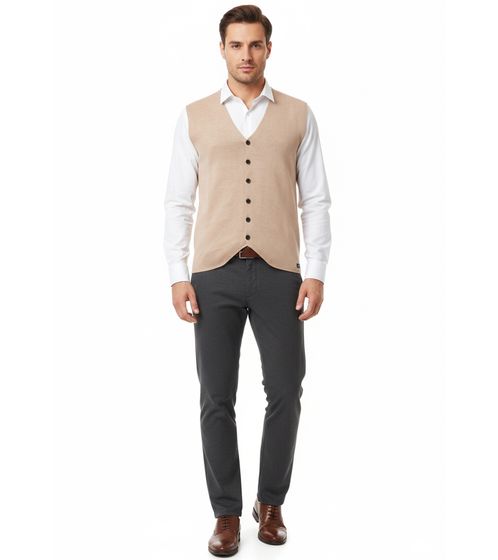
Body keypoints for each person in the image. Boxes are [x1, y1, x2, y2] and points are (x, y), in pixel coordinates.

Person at [163, 4, 332, 556]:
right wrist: (177, 275)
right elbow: (178, 201)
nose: (246, 54)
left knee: (285, 389)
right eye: (236, 45)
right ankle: (226, 513)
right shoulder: (194, 117)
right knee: (216, 396)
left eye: (255, 44)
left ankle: (271, 503)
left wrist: (316, 272)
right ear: (222, 49)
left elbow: (315, 200)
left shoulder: (299, 115)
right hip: (212, 274)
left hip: (280, 272)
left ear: (268, 49)